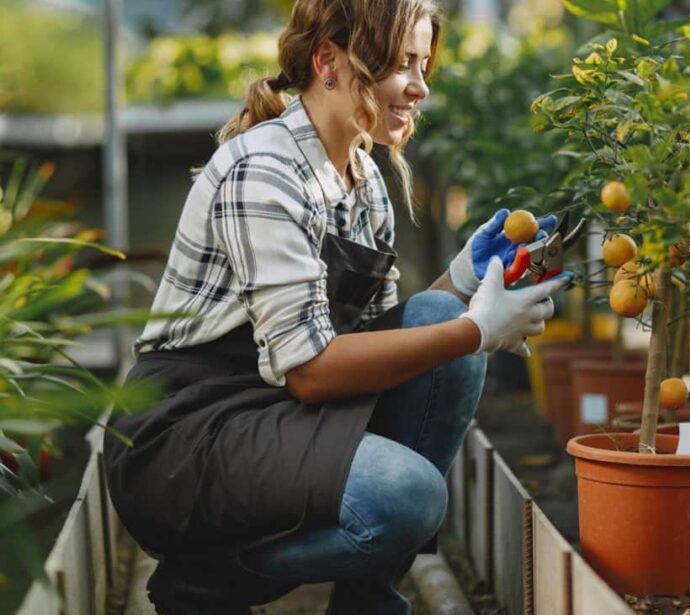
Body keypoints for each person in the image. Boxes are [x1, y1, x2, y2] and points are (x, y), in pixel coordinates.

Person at [102, 1, 570, 613]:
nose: (420, 87)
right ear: (327, 60)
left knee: (438, 328)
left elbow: (387, 345)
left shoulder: (362, 176)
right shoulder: (264, 171)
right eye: (402, 64)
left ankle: (367, 601)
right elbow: (313, 370)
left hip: (277, 415)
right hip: (190, 436)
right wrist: (479, 328)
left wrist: (461, 285)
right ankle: (206, 582)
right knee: (405, 495)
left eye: (424, 65)